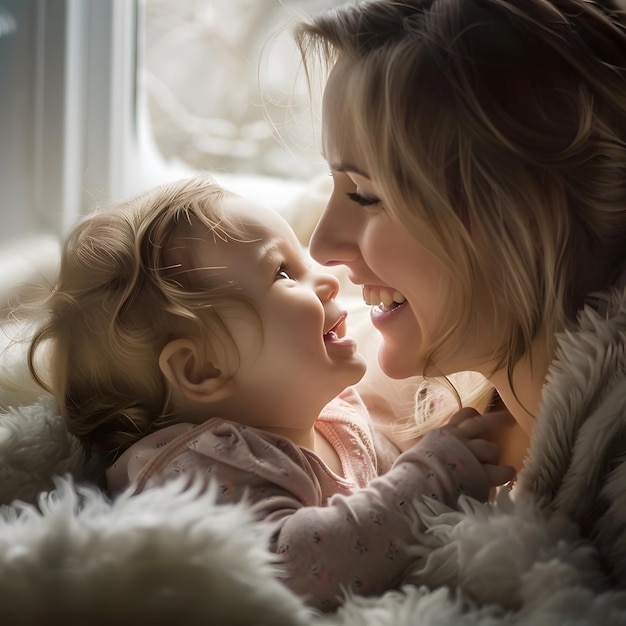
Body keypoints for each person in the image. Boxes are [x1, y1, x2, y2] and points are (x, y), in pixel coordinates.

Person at [25, 175, 514, 611]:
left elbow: (383, 488)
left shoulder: (329, 414)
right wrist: (430, 476)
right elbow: (298, 569)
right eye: (283, 272)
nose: (326, 278)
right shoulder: (198, 469)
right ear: (200, 368)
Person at [293, 0, 626, 593]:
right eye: (336, 186)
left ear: (520, 217)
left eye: (366, 196)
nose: (321, 245)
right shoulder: (386, 429)